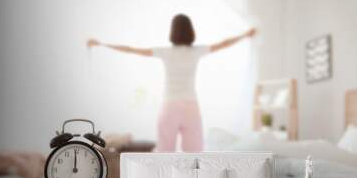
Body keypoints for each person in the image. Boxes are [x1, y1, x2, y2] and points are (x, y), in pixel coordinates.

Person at [88, 14, 256, 152]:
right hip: (191, 107)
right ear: (191, 31)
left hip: (170, 106)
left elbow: (132, 49)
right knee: (194, 154)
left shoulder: (166, 52)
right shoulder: (196, 51)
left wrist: (102, 44)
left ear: (173, 32)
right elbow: (223, 44)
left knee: (164, 154)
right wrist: (245, 35)